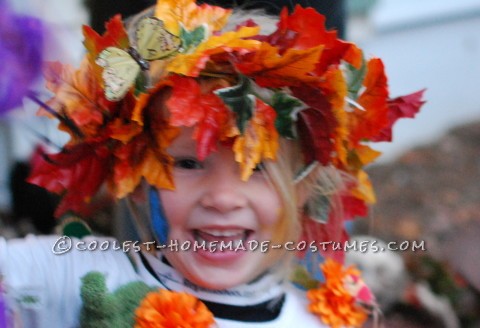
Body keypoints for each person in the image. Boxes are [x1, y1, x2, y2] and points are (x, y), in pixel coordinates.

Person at [0, 0, 425, 327]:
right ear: (137, 172)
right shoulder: (76, 274)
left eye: (257, 165)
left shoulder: (321, 315)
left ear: (306, 184)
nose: (223, 197)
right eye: (187, 163)